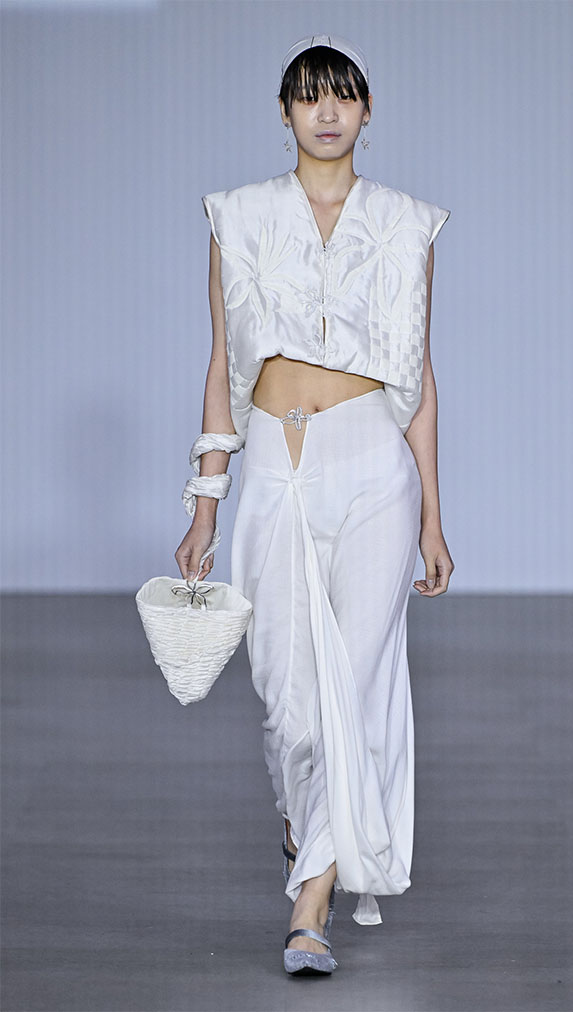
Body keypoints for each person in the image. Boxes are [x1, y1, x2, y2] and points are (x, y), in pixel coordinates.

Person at [175, 33, 454, 976]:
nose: (327, 112)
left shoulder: (407, 224)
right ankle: (306, 822)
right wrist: (206, 504)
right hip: (274, 465)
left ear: (367, 112)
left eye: (343, 96)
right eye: (309, 95)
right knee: (288, 697)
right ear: (286, 112)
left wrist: (433, 514)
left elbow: (417, 373)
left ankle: (311, 906)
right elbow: (224, 364)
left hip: (373, 462)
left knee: (359, 685)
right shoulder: (239, 216)